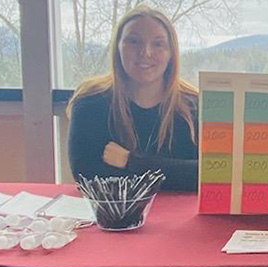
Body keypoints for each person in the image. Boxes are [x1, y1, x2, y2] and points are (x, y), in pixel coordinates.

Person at [67, 6, 199, 191]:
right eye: (133, 41)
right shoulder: (89, 102)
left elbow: (205, 175)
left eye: (158, 44)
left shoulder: (195, 105)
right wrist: (174, 173)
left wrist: (131, 161)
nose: (145, 52)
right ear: (117, 47)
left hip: (183, 218)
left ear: (171, 53)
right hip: (114, 218)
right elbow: (88, 177)